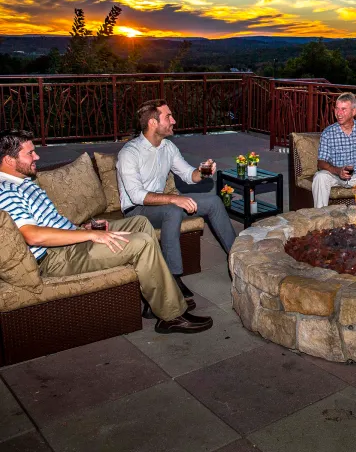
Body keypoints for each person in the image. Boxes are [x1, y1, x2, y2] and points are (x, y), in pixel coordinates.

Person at [0, 130, 212, 334]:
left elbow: (50, 224)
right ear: (9, 160)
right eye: (29, 153)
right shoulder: (6, 191)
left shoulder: (25, 182)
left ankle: (153, 302)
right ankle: (171, 317)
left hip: (68, 242)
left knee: (139, 223)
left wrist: (84, 228)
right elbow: (32, 235)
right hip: (55, 258)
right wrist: (91, 235)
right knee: (143, 243)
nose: (37, 156)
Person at [117, 99, 237, 301]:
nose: (173, 120)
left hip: (160, 205)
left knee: (214, 202)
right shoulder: (129, 153)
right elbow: (136, 196)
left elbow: (190, 175)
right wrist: (174, 199)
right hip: (136, 211)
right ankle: (173, 277)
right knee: (172, 210)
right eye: (168, 116)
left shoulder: (168, 147)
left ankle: (237, 258)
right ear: (153, 123)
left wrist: (203, 172)